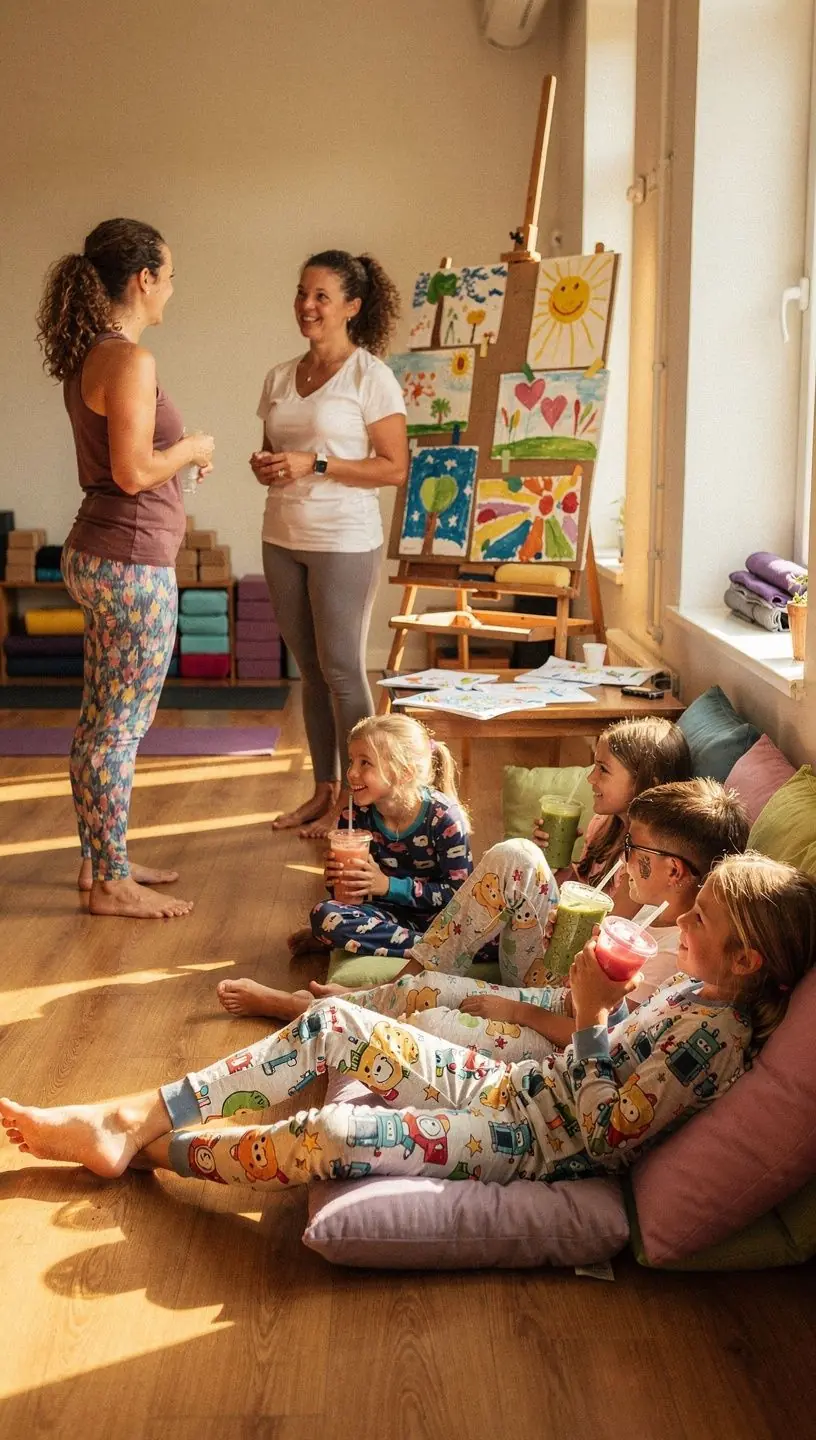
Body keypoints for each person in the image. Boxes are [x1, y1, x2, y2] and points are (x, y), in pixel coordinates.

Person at [3, 854, 813, 1191]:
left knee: (334, 1136)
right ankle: (135, 1116)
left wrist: (596, 1020)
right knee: (333, 1024)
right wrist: (585, 1004)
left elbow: (606, 1136)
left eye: (701, 920)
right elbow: (594, 1049)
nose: (684, 923)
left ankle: (153, 1148)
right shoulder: (692, 991)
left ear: (747, 959)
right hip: (517, 1087)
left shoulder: (715, 1042)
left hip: (536, 1143)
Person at [244, 777, 749, 1059]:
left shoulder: (674, 955)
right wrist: (560, 935)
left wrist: (517, 1011)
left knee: (428, 1019)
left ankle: (317, 1015)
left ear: (673, 871)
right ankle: (373, 991)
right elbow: (576, 961)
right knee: (516, 855)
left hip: (557, 1029)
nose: (625, 857)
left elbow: (601, 1037)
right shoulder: (644, 899)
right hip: (553, 989)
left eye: (635, 849)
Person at [36, 218, 215, 920]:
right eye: (168, 276)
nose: (171, 288)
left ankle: (99, 857)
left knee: (99, 721)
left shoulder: (92, 355)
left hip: (101, 551)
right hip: (131, 561)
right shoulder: (130, 360)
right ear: (143, 279)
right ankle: (111, 880)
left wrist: (178, 455)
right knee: (119, 730)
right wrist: (192, 447)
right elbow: (134, 471)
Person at [253, 249, 408, 839]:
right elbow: (277, 453)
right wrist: (267, 466)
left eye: (321, 296)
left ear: (352, 306)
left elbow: (394, 467)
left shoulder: (371, 377)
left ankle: (357, 798)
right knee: (310, 673)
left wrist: (315, 462)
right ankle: (323, 790)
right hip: (281, 536)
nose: (307, 306)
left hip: (343, 540)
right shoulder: (278, 377)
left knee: (342, 670)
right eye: (302, 293)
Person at [217, 716, 472, 1018]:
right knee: (325, 915)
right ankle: (422, 947)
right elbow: (347, 896)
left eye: (365, 763)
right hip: (387, 915)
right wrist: (337, 879)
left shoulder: (444, 818)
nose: (351, 772)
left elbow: (459, 895)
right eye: (351, 760)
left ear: (403, 772)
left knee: (475, 940)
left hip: (439, 920)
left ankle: (417, 946)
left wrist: (389, 885)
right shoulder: (355, 814)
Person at [536, 716, 692, 916]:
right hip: (567, 921)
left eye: (603, 769)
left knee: (517, 855)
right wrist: (557, 860)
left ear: (646, 785)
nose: (591, 778)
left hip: (589, 932)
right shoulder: (601, 825)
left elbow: (606, 925)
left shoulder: (642, 861)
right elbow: (580, 891)